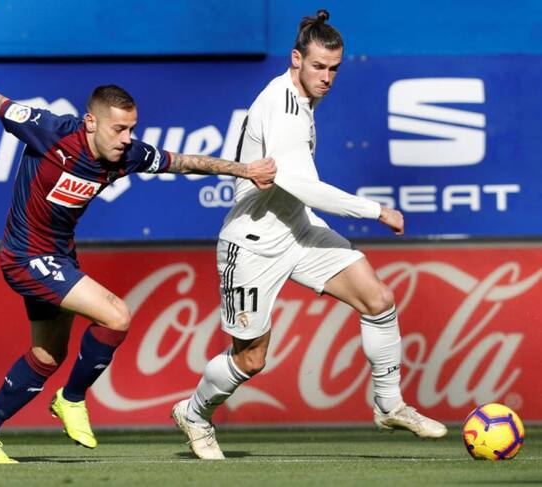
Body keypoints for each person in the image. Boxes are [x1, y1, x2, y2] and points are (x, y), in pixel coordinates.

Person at [0, 86, 276, 464]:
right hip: (25, 256)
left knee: (47, 355)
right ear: (91, 122)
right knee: (116, 315)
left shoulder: (128, 155)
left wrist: (244, 170)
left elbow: (183, 162)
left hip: (59, 257)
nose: (127, 138)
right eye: (119, 129)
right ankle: (72, 398)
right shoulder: (51, 131)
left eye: (132, 129)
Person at [171, 10, 448, 460]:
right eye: (318, 66)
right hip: (253, 244)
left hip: (298, 230)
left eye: (334, 68)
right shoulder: (282, 107)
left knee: (378, 299)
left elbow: (296, 193)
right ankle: (194, 412)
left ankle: (389, 404)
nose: (327, 77)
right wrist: (376, 210)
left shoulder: (303, 99)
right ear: (295, 59)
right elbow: (302, 186)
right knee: (251, 359)